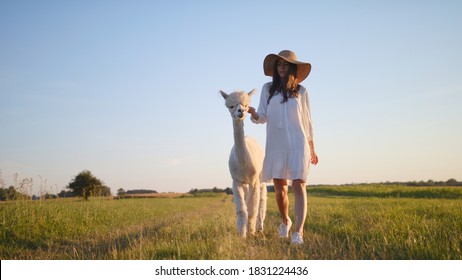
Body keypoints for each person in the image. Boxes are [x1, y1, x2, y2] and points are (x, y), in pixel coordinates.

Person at [248, 50, 318, 245]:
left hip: (298, 142)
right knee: (280, 191)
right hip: (276, 143)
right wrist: (253, 113)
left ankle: (298, 232)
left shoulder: (302, 91)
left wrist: (312, 147)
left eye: (285, 64)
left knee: (299, 185)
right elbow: (262, 117)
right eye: (279, 64)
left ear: (292, 68)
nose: (281, 67)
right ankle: (285, 221)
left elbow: (308, 121)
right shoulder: (267, 89)